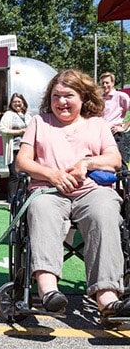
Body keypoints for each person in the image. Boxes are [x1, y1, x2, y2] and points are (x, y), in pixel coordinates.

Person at [16, 69, 130, 318]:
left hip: (91, 191)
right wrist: (52, 174)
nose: (61, 102)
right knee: (41, 209)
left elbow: (114, 159)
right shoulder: (39, 122)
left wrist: (87, 163)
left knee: (105, 211)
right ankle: (48, 291)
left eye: (68, 95)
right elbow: (22, 162)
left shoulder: (97, 124)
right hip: (48, 190)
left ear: (83, 97)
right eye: (56, 96)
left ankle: (107, 297)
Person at [0, 93, 32, 202]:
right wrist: (20, 131)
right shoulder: (8, 115)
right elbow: (2, 129)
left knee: (24, 175)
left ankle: (22, 199)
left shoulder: (27, 115)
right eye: (14, 102)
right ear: (11, 104)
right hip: (13, 149)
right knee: (14, 175)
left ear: (23, 102)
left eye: (19, 101)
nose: (17, 104)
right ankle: (11, 201)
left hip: (26, 149)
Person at [100, 71, 130, 166]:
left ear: (112, 83)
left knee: (120, 163)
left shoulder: (121, 96)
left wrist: (124, 127)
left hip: (114, 133)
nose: (105, 85)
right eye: (103, 83)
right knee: (105, 163)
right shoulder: (101, 98)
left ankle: (126, 180)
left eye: (107, 82)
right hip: (101, 134)